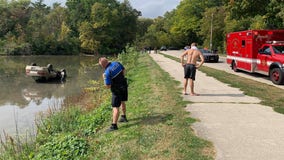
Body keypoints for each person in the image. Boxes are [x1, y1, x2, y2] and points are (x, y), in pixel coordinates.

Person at [99, 57, 128, 132]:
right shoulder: (117, 63)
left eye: (101, 65)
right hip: (124, 85)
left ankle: (114, 125)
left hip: (116, 90)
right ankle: (124, 117)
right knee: (122, 101)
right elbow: (124, 71)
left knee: (115, 107)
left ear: (103, 65)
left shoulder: (107, 72)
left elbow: (108, 86)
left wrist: (104, 78)